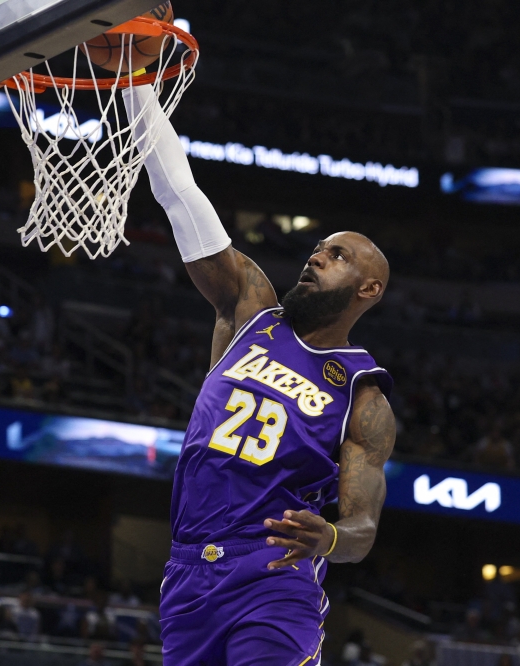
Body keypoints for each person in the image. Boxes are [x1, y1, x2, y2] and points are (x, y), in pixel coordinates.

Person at [123, 86, 397, 666]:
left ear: (368, 290)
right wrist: (135, 77)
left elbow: (362, 527)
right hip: (188, 571)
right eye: (319, 248)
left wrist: (329, 539)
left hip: (273, 576)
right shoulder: (249, 312)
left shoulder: (362, 396)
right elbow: (179, 193)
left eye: (338, 256)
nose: (317, 257)